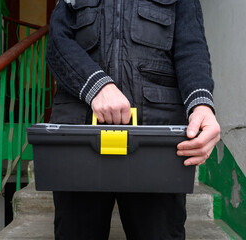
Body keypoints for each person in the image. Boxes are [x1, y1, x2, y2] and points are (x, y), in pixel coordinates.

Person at [46, 0, 221, 239]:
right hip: (80, 134)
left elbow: (191, 48)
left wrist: (201, 105)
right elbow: (57, 42)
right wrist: (95, 86)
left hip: (156, 141)